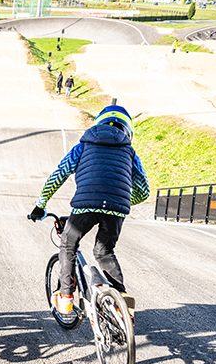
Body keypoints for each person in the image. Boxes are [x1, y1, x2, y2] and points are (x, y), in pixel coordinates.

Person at [29, 104, 150, 317]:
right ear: (127, 130)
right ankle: (121, 297)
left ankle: (66, 296)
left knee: (68, 243)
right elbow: (144, 191)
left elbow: (58, 175)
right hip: (116, 208)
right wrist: (122, 200)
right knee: (104, 251)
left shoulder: (83, 145)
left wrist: (40, 205)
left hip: (86, 204)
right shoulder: (130, 152)